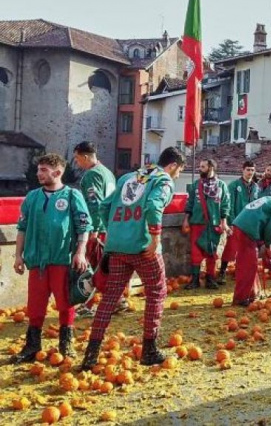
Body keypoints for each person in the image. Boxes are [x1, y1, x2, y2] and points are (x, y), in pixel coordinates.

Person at [81, 147, 185, 369]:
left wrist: (114, 231)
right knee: (157, 291)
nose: (177, 176)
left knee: (109, 298)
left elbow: (104, 206)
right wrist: (155, 238)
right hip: (142, 246)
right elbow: (154, 206)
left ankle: (91, 354)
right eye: (178, 171)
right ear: (173, 165)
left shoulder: (130, 176)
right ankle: (149, 349)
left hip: (117, 247)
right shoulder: (163, 179)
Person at [11, 154, 92, 363]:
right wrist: (18, 256)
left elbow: (84, 226)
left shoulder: (72, 196)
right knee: (35, 305)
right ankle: (32, 345)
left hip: (62, 261)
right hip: (37, 262)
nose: (39, 174)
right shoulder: (32, 198)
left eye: (44, 170)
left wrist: (80, 252)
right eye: (39, 170)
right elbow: (21, 229)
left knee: (65, 302)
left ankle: (66, 344)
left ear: (57, 173)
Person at [72, 141, 122, 319]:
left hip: (97, 229)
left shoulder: (91, 175)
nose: (77, 163)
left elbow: (95, 203)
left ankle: (112, 301)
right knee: (102, 266)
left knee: (94, 267)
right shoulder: (108, 173)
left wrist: (93, 229)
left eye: (77, 159)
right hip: (110, 227)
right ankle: (108, 301)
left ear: (85, 157)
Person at [183, 159, 231, 290]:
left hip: (214, 224)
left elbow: (225, 206)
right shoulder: (195, 185)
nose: (200, 169)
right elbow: (190, 203)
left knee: (212, 252)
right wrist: (186, 219)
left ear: (210, 168)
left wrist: (224, 223)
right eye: (200, 166)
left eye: (203, 166)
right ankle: (195, 280)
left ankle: (210, 279)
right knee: (195, 251)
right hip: (197, 222)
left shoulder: (221, 186)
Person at [218, 161, 259, 284]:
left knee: (246, 249)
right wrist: (231, 222)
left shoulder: (256, 187)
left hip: (250, 223)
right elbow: (229, 206)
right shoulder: (234, 185)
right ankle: (222, 272)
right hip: (236, 222)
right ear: (243, 170)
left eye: (252, 170)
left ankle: (240, 272)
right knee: (231, 248)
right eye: (248, 169)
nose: (250, 172)